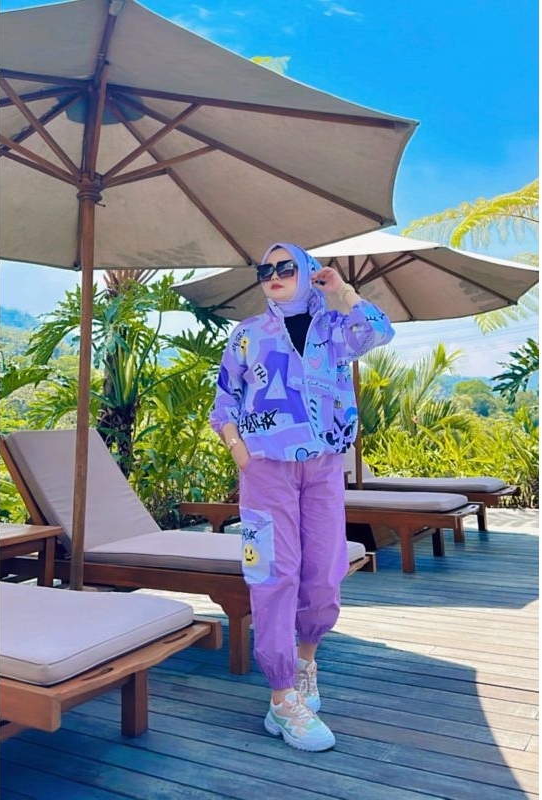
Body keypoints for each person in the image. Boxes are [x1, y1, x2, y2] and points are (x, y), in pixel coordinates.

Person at [209, 241, 394, 751]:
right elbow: (224, 402)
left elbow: (379, 331)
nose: (273, 274)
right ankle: (281, 695)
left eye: (286, 267)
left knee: (324, 570)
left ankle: (306, 662)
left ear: (308, 271)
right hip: (266, 468)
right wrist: (242, 454)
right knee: (274, 573)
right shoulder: (247, 335)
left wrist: (343, 291)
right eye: (265, 269)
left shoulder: (333, 329)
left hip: (324, 464)